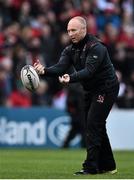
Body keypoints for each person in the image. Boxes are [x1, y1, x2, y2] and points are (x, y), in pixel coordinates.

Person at [34, 16, 119, 175]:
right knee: (95, 125)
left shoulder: (97, 47)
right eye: (68, 31)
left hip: (106, 88)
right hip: (90, 90)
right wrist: (44, 71)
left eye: (73, 30)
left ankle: (91, 167)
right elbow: (60, 68)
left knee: (93, 124)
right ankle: (108, 165)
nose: (70, 33)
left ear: (84, 30)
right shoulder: (70, 49)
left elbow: (89, 71)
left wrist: (71, 78)